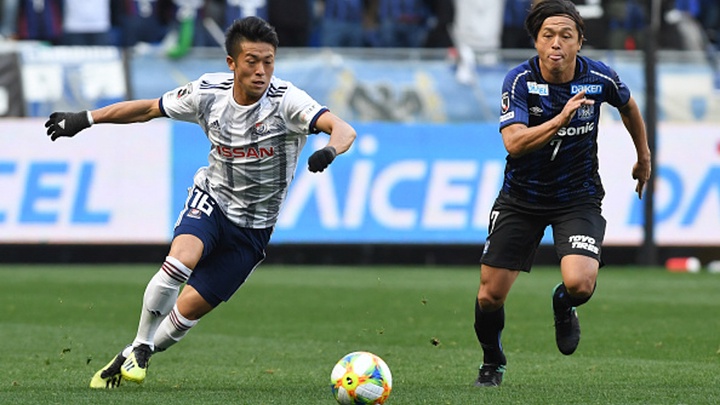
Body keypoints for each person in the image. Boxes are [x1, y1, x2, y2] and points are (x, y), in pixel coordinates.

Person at [44, 15, 356, 389]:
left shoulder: (288, 101)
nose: (261, 71)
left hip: (254, 228)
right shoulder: (208, 93)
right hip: (212, 199)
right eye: (252, 61)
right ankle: (142, 343)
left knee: (186, 312)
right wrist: (86, 118)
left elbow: (344, 128)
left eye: (268, 62)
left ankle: (134, 351)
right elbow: (147, 109)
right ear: (232, 63)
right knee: (179, 260)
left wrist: (330, 151)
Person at [472, 0, 651, 387]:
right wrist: (560, 119)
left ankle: (563, 303)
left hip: (578, 196)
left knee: (580, 285)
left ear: (579, 41)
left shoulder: (598, 77)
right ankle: (492, 360)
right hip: (521, 198)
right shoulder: (519, 81)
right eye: (548, 35)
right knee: (489, 297)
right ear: (536, 42)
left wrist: (644, 157)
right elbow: (514, 144)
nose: (557, 43)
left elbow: (629, 105)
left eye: (566, 35)